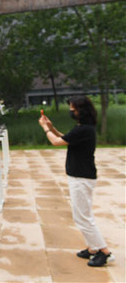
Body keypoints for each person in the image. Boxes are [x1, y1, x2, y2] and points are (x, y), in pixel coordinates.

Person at [38, 96, 114, 267]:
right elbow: (66, 138)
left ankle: (104, 251)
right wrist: (51, 127)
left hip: (82, 178)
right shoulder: (83, 128)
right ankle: (93, 248)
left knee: (82, 217)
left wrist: (45, 128)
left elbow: (56, 142)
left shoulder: (84, 129)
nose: (71, 111)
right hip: (80, 176)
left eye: (73, 109)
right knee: (81, 215)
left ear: (82, 111)